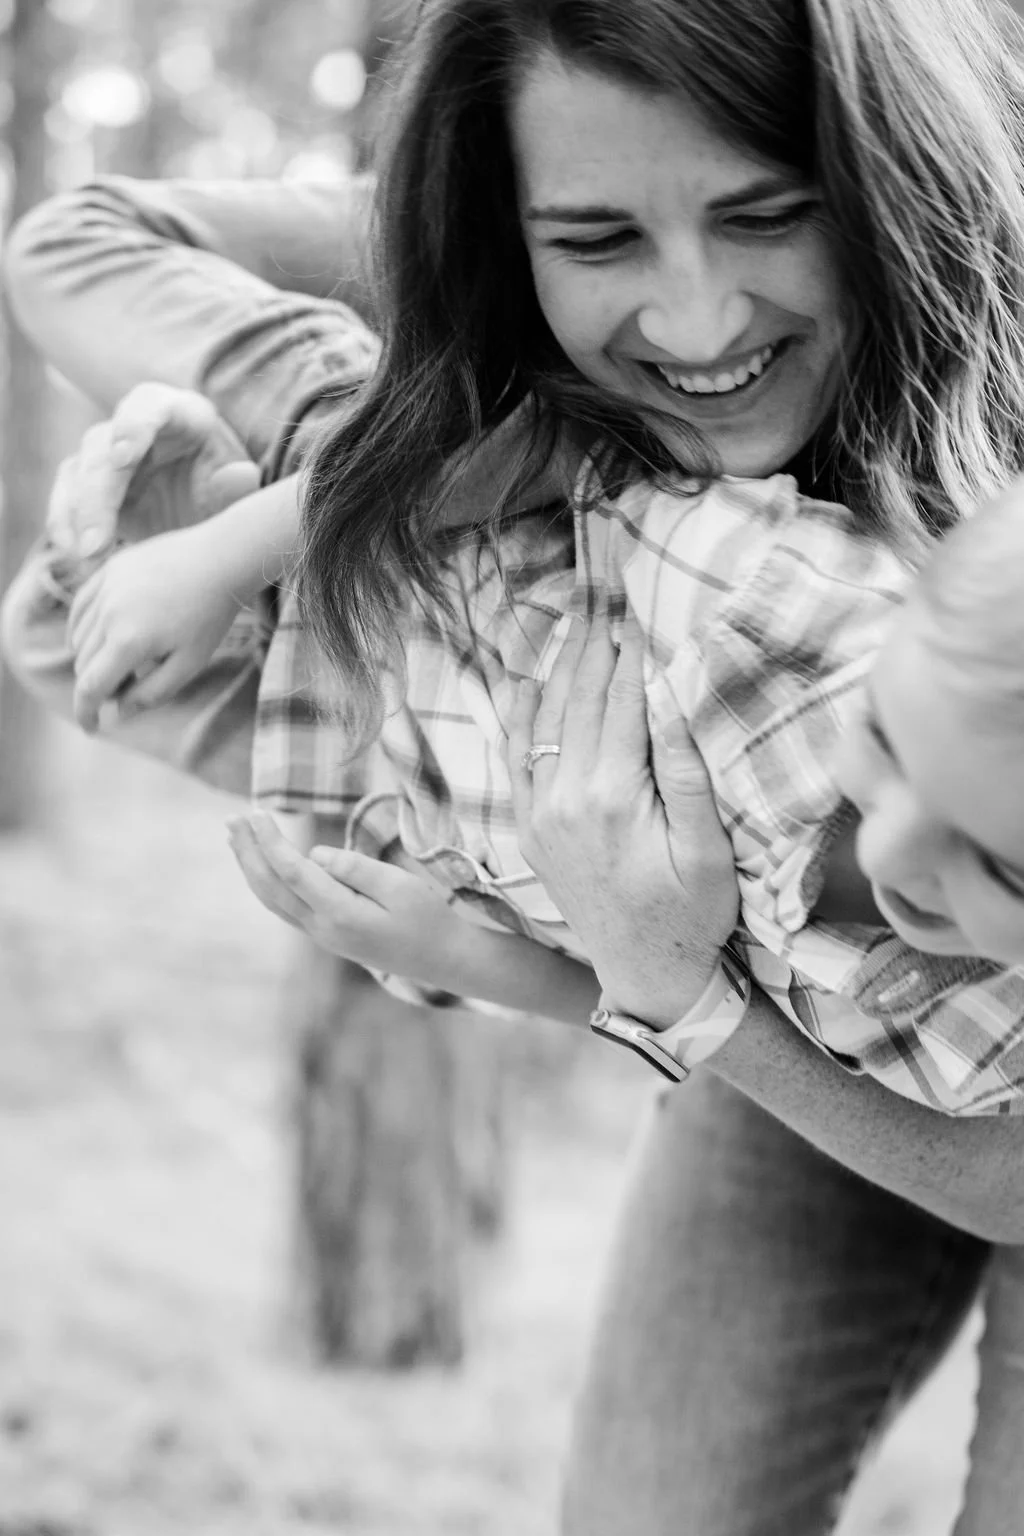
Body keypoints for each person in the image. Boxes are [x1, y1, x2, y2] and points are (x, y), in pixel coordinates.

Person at [6, 1, 1024, 1528]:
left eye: (763, 213)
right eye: (600, 238)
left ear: (891, 181)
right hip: (769, 1048)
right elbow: (79, 241)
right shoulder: (520, 443)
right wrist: (266, 517)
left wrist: (653, 985)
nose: (693, 323)